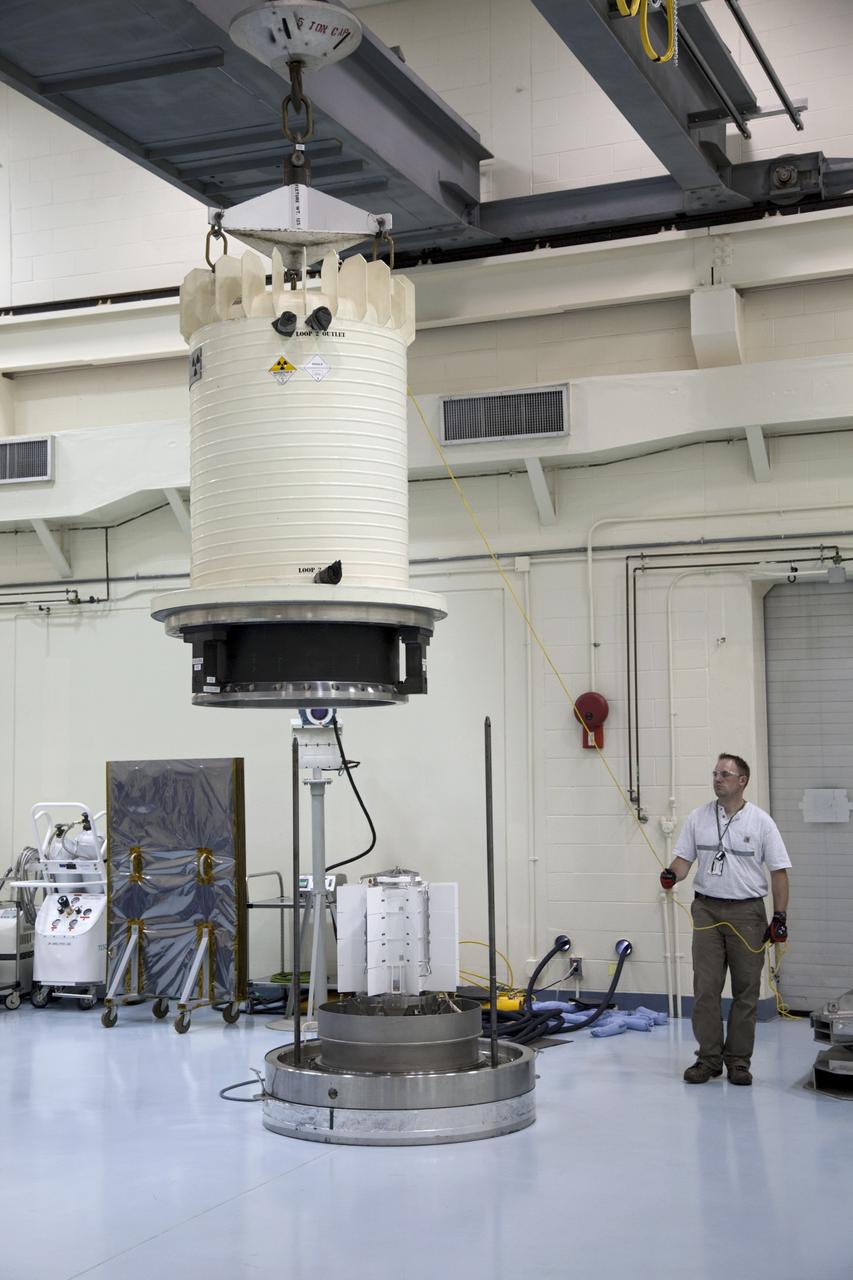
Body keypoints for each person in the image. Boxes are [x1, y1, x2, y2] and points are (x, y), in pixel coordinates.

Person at [659, 753, 791, 1086]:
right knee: (705, 988)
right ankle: (707, 1060)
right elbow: (683, 861)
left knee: (746, 991)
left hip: (747, 913)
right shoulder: (698, 818)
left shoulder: (761, 822)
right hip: (707, 911)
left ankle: (738, 1062)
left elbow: (778, 872)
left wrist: (779, 917)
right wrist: (671, 875)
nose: (718, 779)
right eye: (715, 773)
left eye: (725, 774)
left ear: (742, 781)